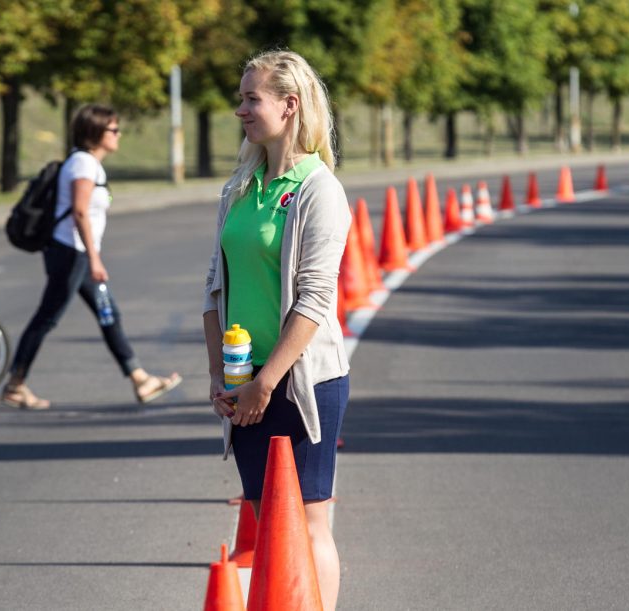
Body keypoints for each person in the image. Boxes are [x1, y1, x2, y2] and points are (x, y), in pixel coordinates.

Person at [202, 50, 351, 610]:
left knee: (308, 521)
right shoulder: (238, 187)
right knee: (269, 523)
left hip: (301, 382)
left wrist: (266, 382)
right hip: (245, 381)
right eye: (241, 97)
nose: (240, 109)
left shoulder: (318, 189)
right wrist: (222, 373)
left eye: (251, 98)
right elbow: (214, 285)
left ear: (289, 106)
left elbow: (315, 298)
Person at [1, 103, 182, 410]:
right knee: (47, 318)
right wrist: (95, 259)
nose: (118, 134)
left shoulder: (87, 164)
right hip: (71, 254)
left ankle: (140, 379)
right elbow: (80, 211)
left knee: (107, 313)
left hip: (78, 254)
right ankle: (15, 385)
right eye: (113, 129)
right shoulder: (83, 164)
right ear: (95, 132)